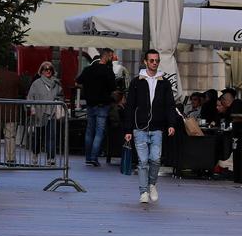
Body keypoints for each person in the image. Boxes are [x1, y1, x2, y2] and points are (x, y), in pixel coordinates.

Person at [124, 49, 180, 205]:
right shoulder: (137, 82)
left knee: (155, 159)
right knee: (142, 162)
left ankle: (152, 184)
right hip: (139, 127)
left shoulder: (165, 82)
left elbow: (170, 105)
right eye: (152, 60)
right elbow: (129, 106)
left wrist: (171, 124)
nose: (155, 63)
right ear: (145, 62)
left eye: (157, 60)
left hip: (157, 127)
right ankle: (143, 192)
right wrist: (127, 129)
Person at [77, 51, 118, 167]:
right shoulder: (108, 71)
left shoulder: (88, 69)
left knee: (90, 131)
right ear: (107, 57)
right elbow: (113, 89)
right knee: (99, 132)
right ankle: (94, 158)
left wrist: (88, 89)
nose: (113, 58)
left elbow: (77, 82)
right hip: (103, 104)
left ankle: (88, 158)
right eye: (111, 56)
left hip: (90, 104)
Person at [25, 61, 65, 164]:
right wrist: (32, 108)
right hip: (39, 114)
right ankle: (35, 154)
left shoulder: (56, 83)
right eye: (45, 69)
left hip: (51, 113)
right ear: (41, 71)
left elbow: (61, 96)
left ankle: (50, 158)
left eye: (50, 69)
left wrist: (59, 104)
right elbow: (30, 97)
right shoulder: (36, 83)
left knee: (51, 136)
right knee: (38, 136)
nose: (48, 71)